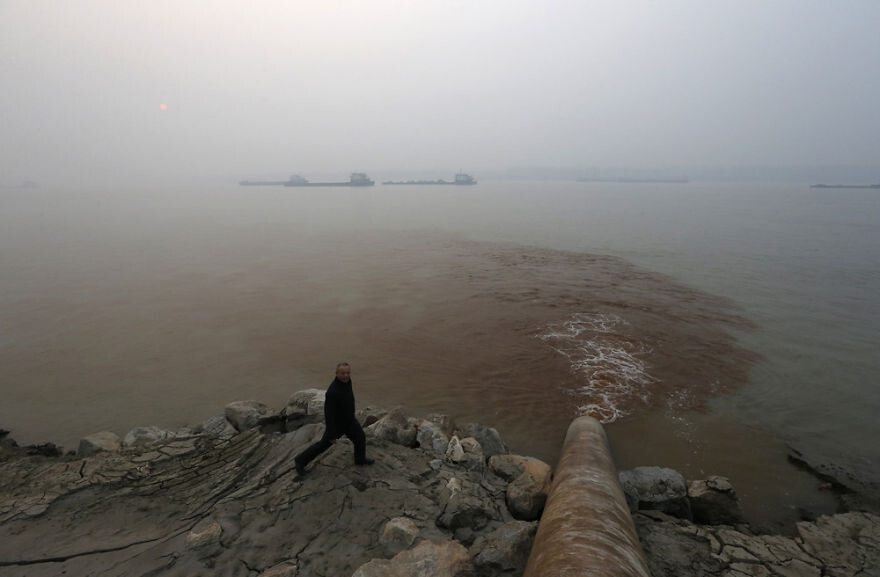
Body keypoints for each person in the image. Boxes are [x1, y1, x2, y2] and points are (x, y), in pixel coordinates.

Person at [294, 362, 374, 475]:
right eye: (343, 373)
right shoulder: (332, 392)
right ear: (336, 373)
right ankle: (300, 460)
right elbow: (329, 414)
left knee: (360, 438)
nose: (346, 375)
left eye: (348, 372)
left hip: (350, 421)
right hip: (337, 425)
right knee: (322, 445)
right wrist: (331, 434)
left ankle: (360, 459)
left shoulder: (347, 382)